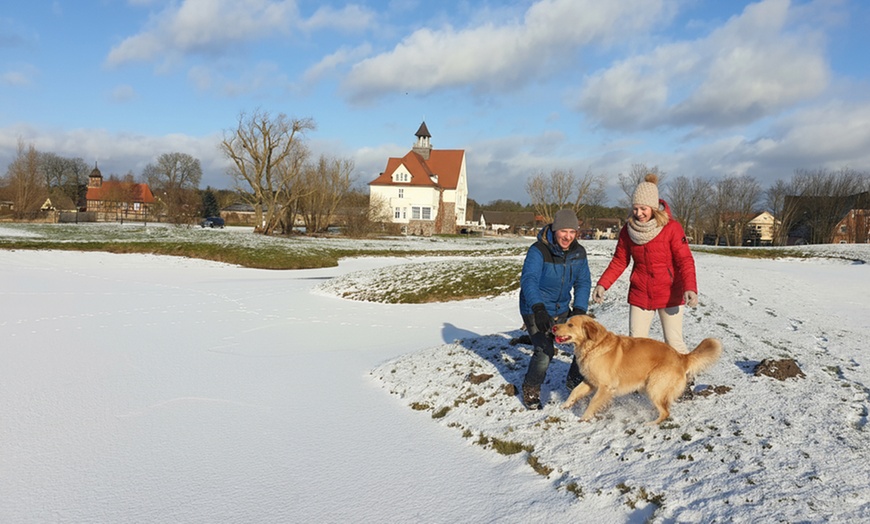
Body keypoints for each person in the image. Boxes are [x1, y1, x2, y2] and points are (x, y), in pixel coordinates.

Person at [592, 173, 698, 356]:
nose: (638, 213)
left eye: (643, 209)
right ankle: (639, 374)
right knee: (635, 345)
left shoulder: (672, 228)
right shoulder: (628, 231)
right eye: (635, 209)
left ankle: (686, 373)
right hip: (640, 292)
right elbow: (619, 261)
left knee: (674, 343)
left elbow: (685, 260)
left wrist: (690, 288)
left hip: (669, 292)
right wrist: (603, 284)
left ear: (653, 208)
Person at [518, 208, 592, 410]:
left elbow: (583, 282)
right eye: (563, 231)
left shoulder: (578, 252)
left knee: (584, 341)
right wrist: (538, 308)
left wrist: (579, 309)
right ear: (554, 230)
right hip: (535, 307)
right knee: (545, 351)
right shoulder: (538, 250)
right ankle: (531, 387)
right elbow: (529, 280)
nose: (567, 237)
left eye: (572, 232)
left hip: (562, 308)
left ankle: (574, 382)